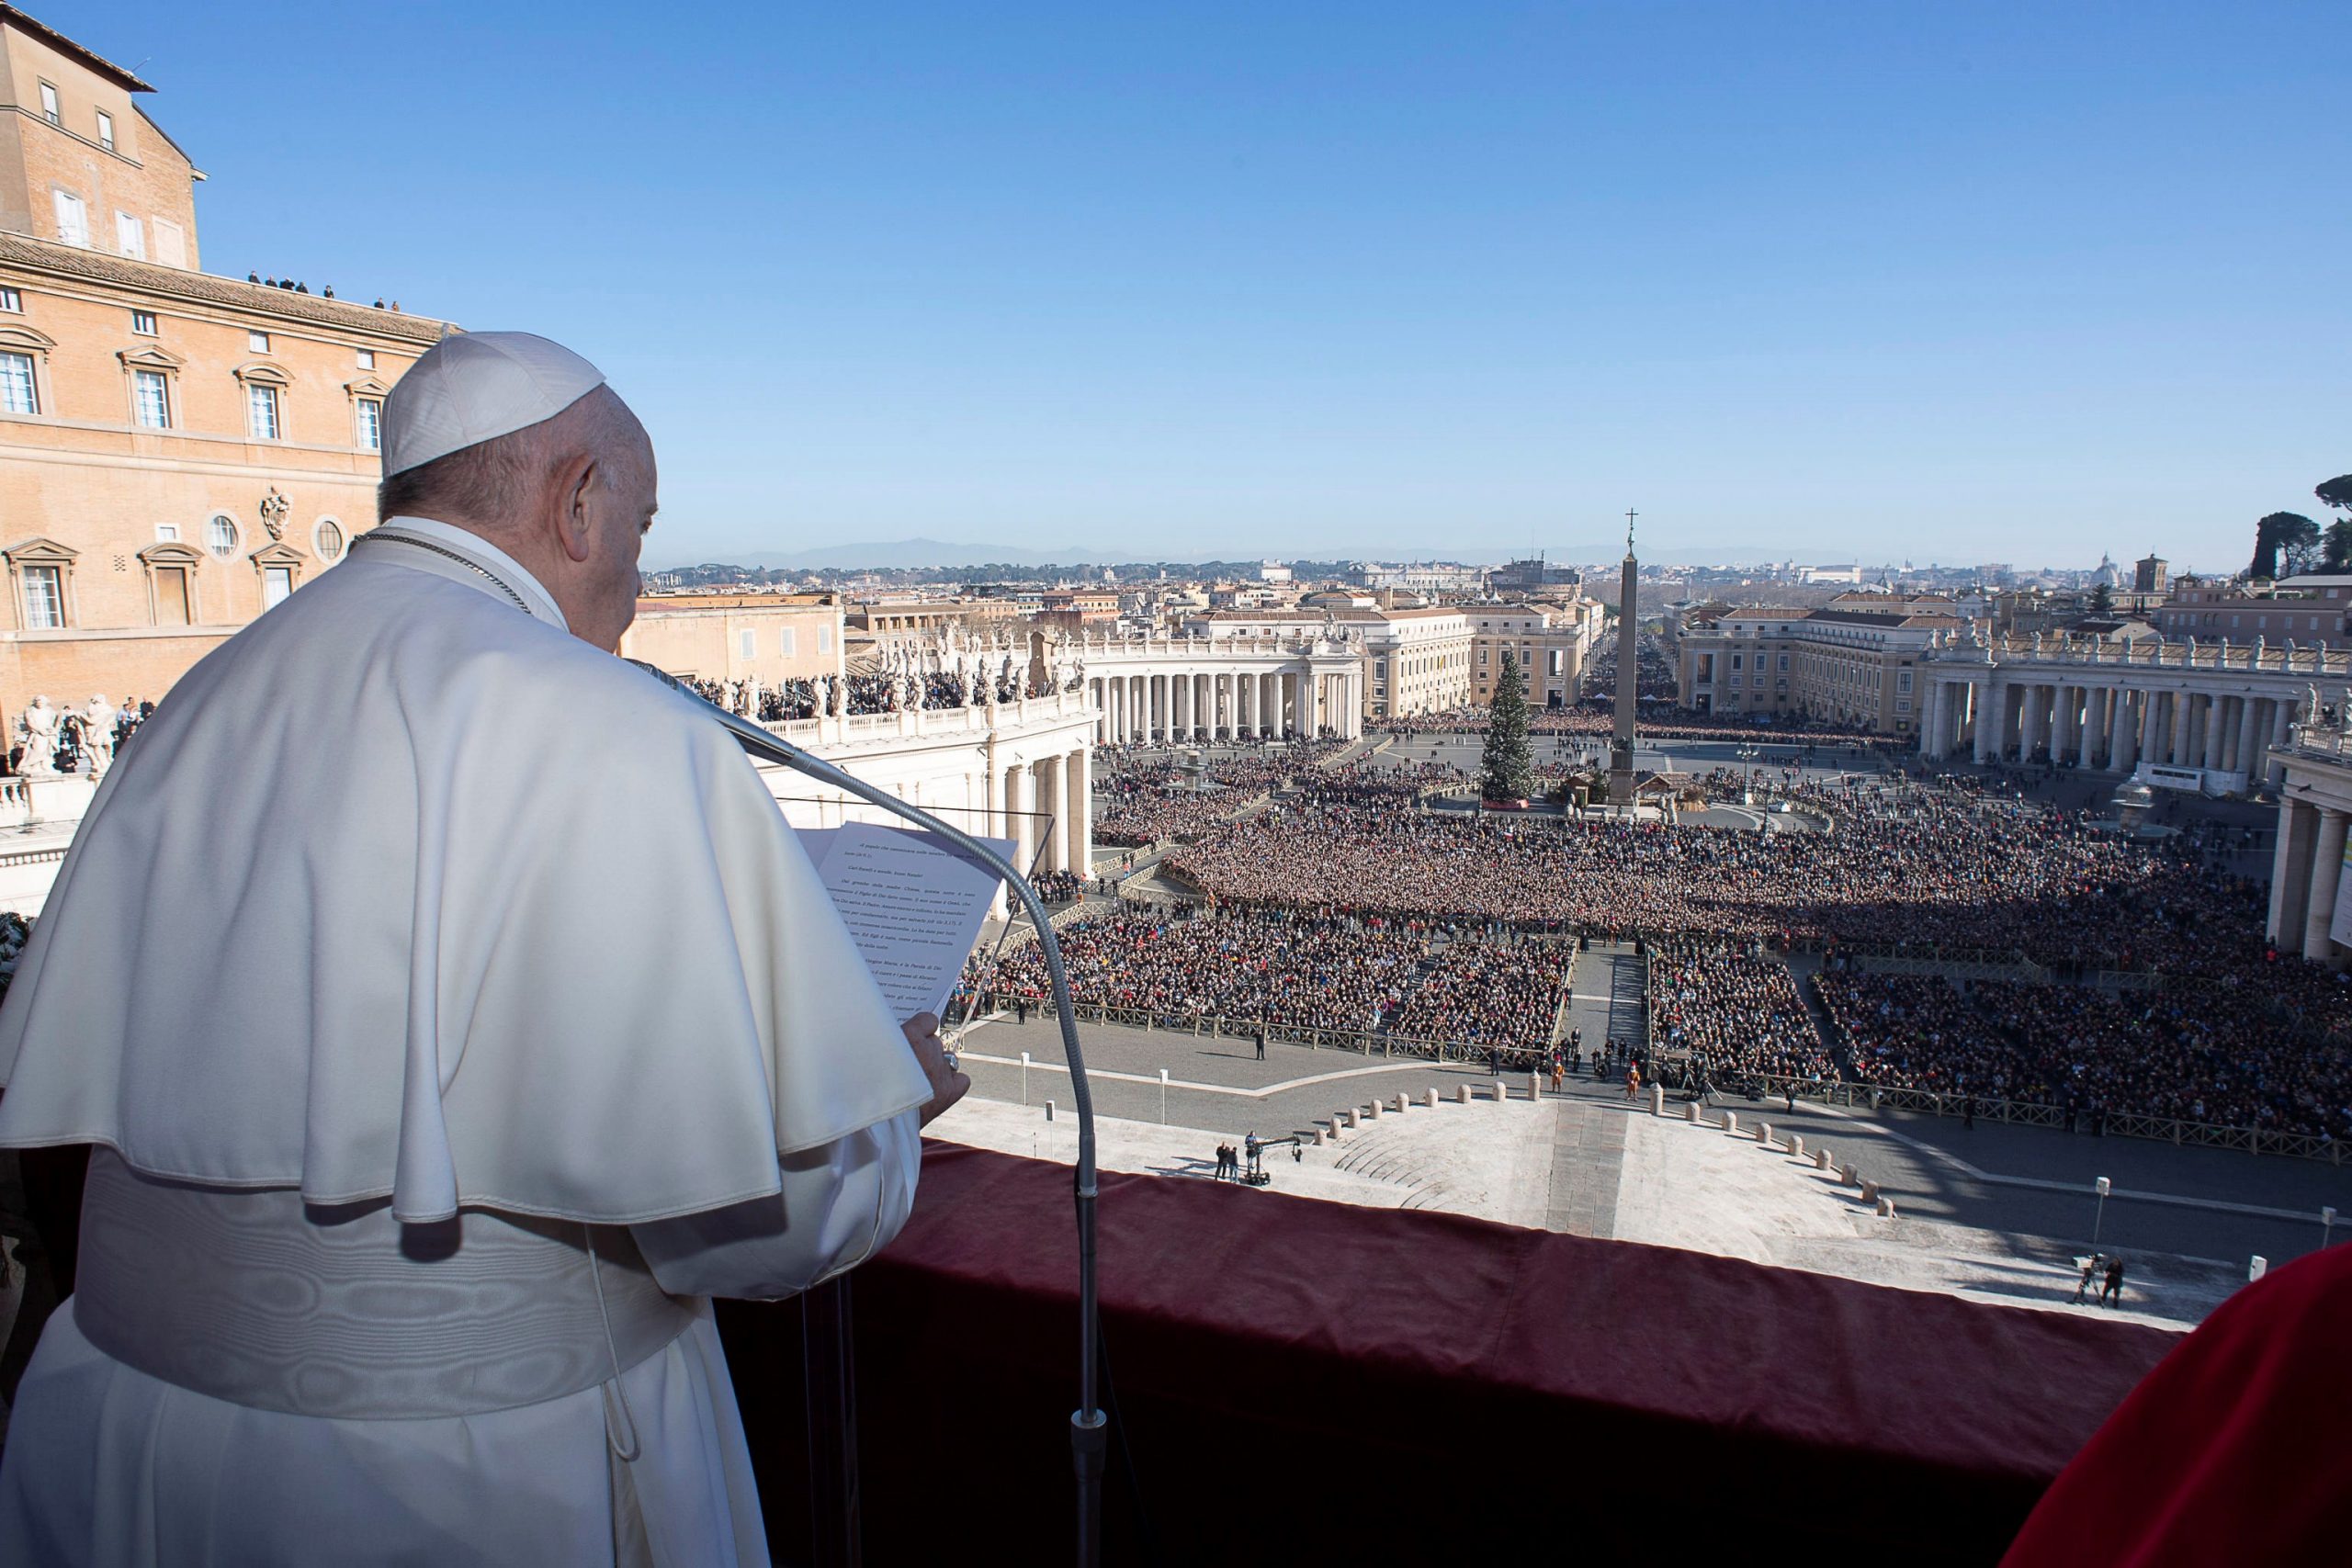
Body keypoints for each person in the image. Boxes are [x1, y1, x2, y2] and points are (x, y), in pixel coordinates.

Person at [0, 333, 969, 1565]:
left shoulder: (196, 703)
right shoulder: (615, 729)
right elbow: (752, 1221)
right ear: (577, 502)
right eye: (639, 525)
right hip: (472, 1478)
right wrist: (882, 1122)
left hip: (126, 1446)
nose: (635, 579)